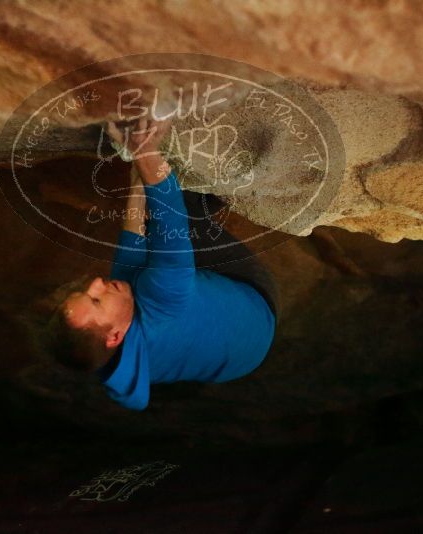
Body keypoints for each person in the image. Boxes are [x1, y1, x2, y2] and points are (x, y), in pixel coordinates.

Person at [46, 118, 277, 410]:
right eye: (95, 300)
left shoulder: (118, 320)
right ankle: (231, 172)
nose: (95, 283)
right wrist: (145, 150)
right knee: (184, 206)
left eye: (84, 292)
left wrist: (135, 169)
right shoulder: (162, 300)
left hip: (236, 361)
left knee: (150, 220)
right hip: (255, 306)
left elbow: (133, 236)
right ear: (116, 335)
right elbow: (171, 217)